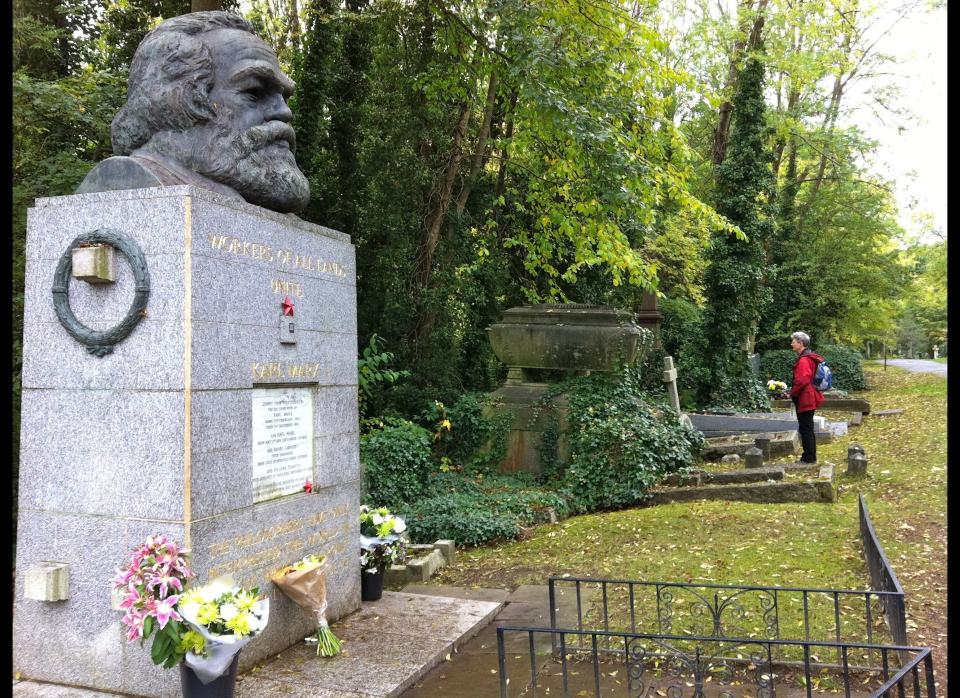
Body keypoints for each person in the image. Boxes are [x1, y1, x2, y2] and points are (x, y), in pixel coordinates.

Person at [75, 11, 310, 214]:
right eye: (254, 92)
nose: (284, 112)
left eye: (284, 97)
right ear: (176, 101)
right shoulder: (125, 183)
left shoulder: (237, 201)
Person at [789, 331, 825, 464]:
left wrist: (792, 392)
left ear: (801, 343)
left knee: (805, 427)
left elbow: (802, 380)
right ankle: (810, 456)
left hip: (805, 397)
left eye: (794, 341)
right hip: (809, 395)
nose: (791, 344)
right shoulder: (808, 357)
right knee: (807, 426)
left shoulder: (804, 359)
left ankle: (809, 458)